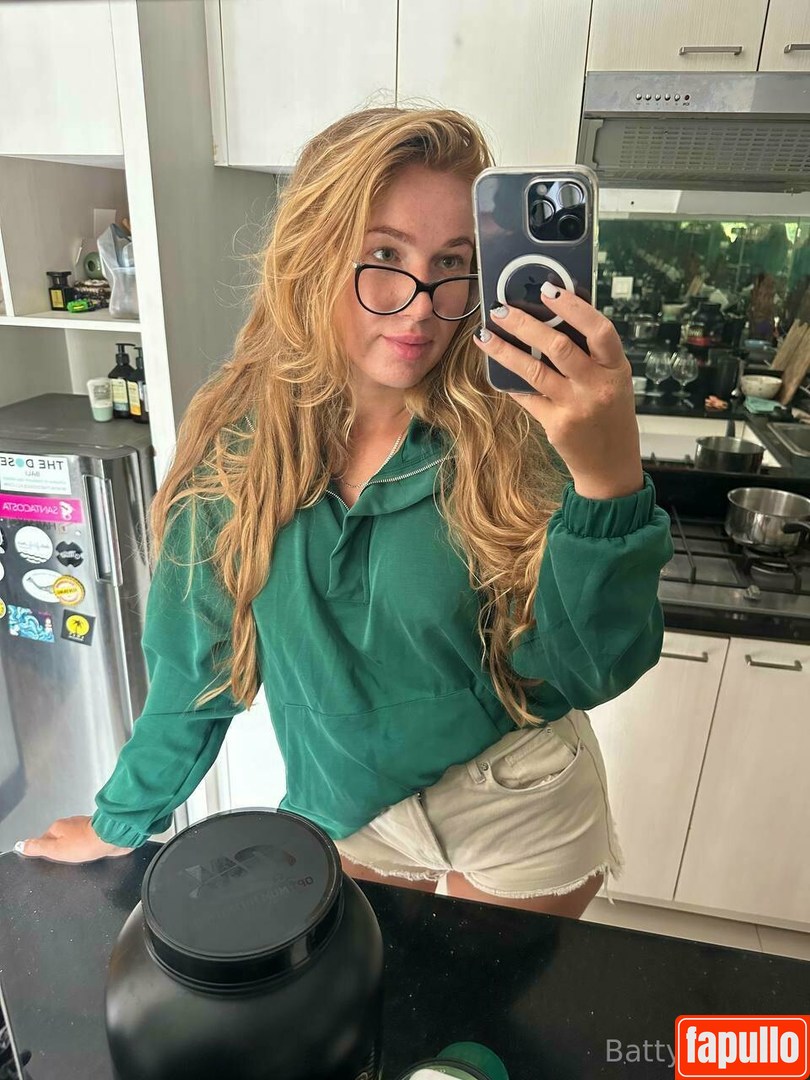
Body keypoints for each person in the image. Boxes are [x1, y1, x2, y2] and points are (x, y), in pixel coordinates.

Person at [18, 107, 672, 919]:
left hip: (519, 797)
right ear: (313, 253)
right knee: (367, 998)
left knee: (483, 1009)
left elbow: (585, 669)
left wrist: (607, 479)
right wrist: (121, 820)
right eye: (385, 256)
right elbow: (196, 666)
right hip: (351, 811)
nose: (420, 306)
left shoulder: (517, 432)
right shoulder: (236, 450)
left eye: (452, 263)